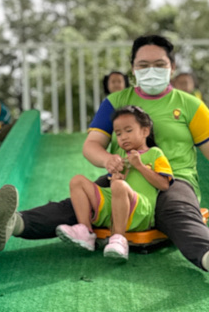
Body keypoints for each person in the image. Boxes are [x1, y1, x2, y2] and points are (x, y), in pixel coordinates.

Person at [0, 34, 209, 288]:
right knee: (80, 201)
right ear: (133, 69)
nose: (151, 70)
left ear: (172, 67)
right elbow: (92, 145)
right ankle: (15, 223)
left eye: (159, 64)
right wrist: (108, 159)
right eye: (143, 65)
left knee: (179, 211)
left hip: (172, 179)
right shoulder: (115, 102)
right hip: (123, 175)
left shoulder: (189, 105)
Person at [57, 105, 173, 262]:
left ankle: (119, 239)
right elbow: (116, 187)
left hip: (140, 211)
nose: (123, 137)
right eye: (118, 133)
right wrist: (116, 177)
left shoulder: (155, 153)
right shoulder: (119, 155)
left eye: (128, 130)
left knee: (119, 186)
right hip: (116, 208)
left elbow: (164, 185)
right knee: (77, 181)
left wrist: (139, 166)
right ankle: (86, 232)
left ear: (145, 131)